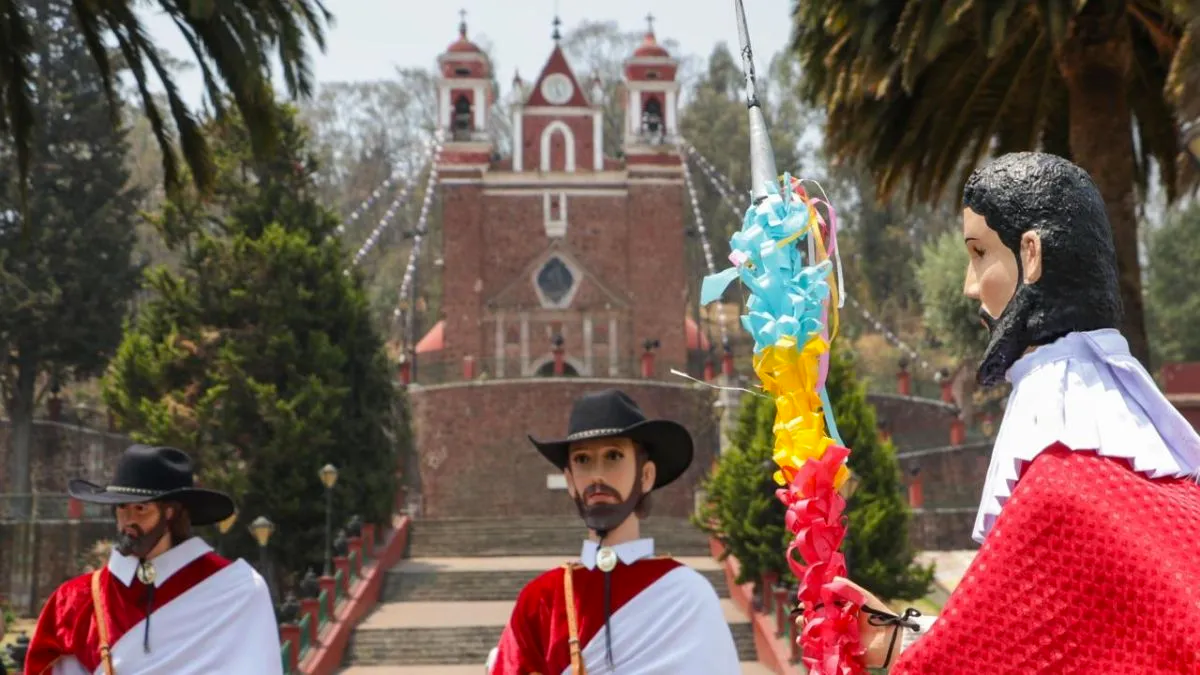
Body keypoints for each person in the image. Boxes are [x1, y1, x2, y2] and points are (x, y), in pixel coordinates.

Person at [812, 152, 1200, 673]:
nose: (970, 287)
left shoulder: (1058, 491)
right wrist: (897, 635)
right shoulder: (1172, 489)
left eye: (979, 254)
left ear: (1031, 255)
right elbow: (1037, 641)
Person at [486, 388, 741, 674]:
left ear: (646, 476)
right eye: (583, 460)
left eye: (613, 456)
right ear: (570, 481)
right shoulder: (540, 602)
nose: (597, 474)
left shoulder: (687, 595)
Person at [24, 444, 283, 674]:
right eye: (121, 507)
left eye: (141, 508)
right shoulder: (75, 601)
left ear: (170, 512)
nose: (128, 520)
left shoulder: (237, 590)